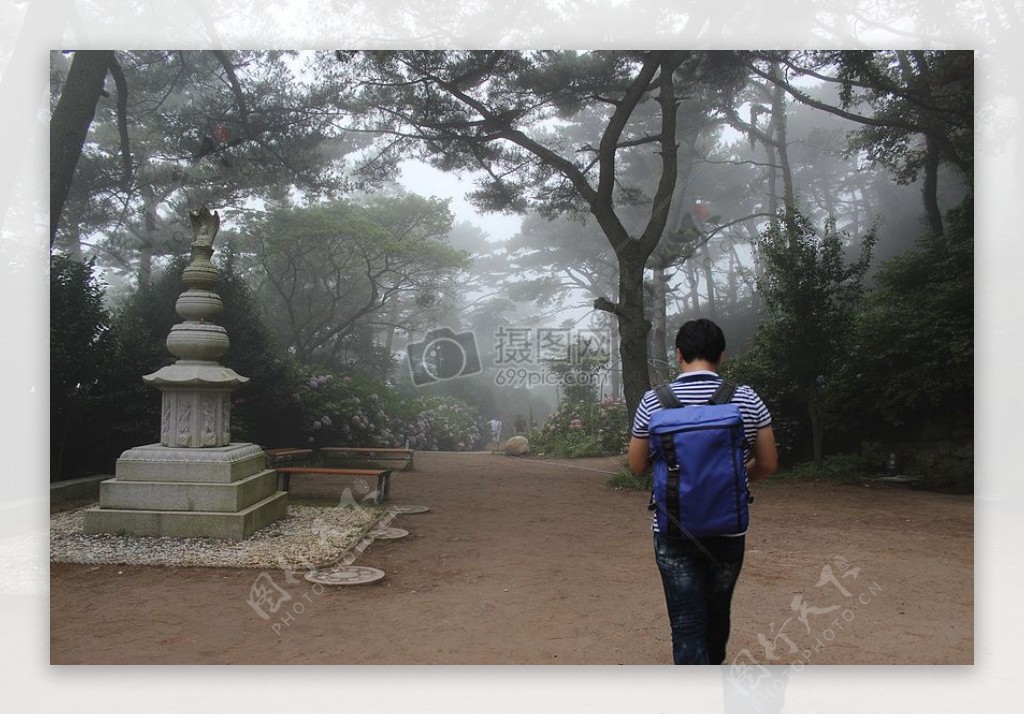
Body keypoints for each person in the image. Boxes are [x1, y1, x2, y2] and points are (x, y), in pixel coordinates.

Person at [628, 318, 778, 665]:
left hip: (673, 529)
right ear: (721, 356)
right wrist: (733, 481)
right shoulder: (745, 398)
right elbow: (768, 463)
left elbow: (637, 465)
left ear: (678, 354)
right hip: (729, 528)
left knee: (686, 624)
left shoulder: (655, 402)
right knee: (717, 614)